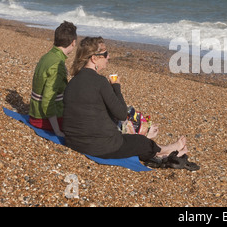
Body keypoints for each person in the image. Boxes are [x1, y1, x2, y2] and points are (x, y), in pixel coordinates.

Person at [62, 37, 198, 170]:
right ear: (94, 58)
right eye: (105, 54)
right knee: (140, 142)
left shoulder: (73, 82)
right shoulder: (100, 82)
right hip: (97, 147)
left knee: (127, 135)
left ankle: (163, 152)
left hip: (74, 142)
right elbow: (121, 113)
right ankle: (167, 149)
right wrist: (116, 87)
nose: (108, 57)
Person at [29, 21, 77, 137]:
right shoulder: (57, 64)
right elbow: (48, 100)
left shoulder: (46, 57)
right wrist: (57, 131)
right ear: (73, 43)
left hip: (34, 113)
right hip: (43, 119)